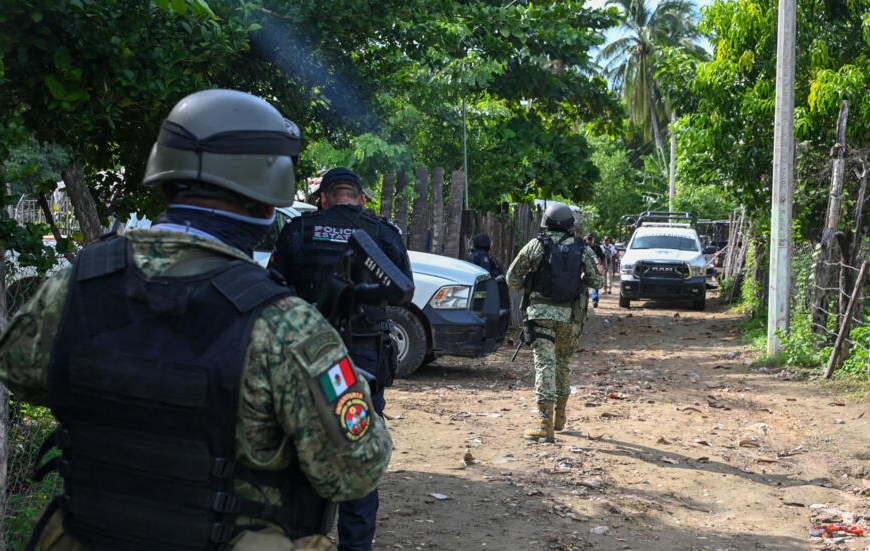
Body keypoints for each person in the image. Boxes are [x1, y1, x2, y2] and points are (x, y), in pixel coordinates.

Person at [0, 89, 392, 551]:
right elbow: (355, 470)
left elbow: (20, 374)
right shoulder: (285, 326)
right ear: (267, 198)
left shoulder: (78, 285)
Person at [269, 167, 413, 551]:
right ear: (361, 199)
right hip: (364, 357)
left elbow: (274, 290)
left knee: (300, 451)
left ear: (324, 199)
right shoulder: (384, 233)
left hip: (308, 356)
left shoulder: (300, 230)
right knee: (359, 451)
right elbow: (403, 290)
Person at [506, 204, 603, 443]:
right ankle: (560, 418)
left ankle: (544, 425)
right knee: (563, 365)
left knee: (545, 366)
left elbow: (512, 278)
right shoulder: (582, 248)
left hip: (540, 314)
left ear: (545, 222)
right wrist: (577, 280)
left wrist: (532, 281)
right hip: (570, 317)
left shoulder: (536, 245)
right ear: (570, 224)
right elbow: (598, 281)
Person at [585, 233, 606, 307]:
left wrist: (604, 266)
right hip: (584, 268)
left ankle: (595, 300)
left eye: (591, 239)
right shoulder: (583, 247)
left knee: (595, 283)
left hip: (595, 268)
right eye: (588, 239)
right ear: (586, 239)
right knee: (584, 285)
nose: (590, 241)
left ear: (594, 240)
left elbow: (603, 257)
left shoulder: (597, 248)